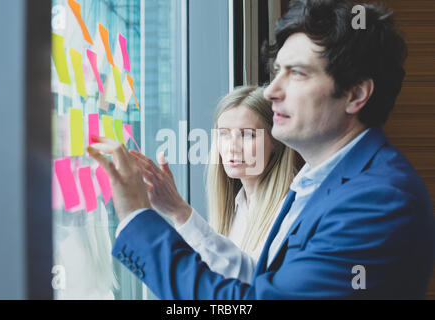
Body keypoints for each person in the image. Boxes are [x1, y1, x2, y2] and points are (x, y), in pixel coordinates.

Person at [88, 0, 435, 299]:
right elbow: (258, 278)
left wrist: (136, 217)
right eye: (276, 72)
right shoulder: (319, 182)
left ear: (356, 95)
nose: (271, 91)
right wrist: (176, 211)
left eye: (297, 74)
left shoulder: (378, 200)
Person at [127, 86, 295, 283]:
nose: (232, 147)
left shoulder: (290, 209)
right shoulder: (238, 205)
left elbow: (254, 285)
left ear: (275, 142)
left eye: (247, 134)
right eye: (224, 134)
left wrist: (179, 211)